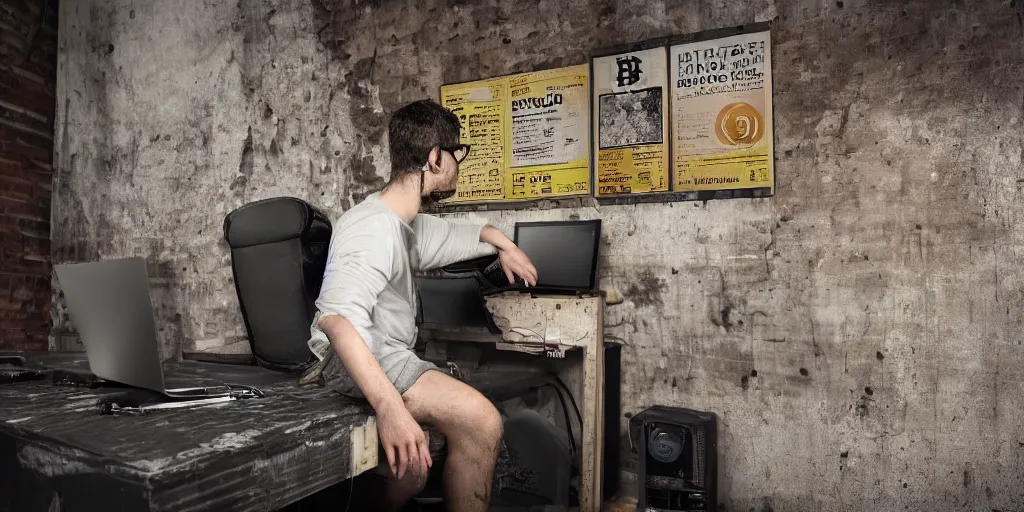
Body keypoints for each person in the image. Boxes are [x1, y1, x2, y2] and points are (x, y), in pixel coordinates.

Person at [306, 99, 538, 512]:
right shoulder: (371, 227)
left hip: (384, 350)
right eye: (457, 154)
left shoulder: (406, 222)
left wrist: (505, 245)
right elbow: (337, 322)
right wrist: (389, 407)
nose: (459, 164)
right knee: (481, 421)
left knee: (412, 472)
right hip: (351, 353)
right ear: (435, 158)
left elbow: (471, 232)